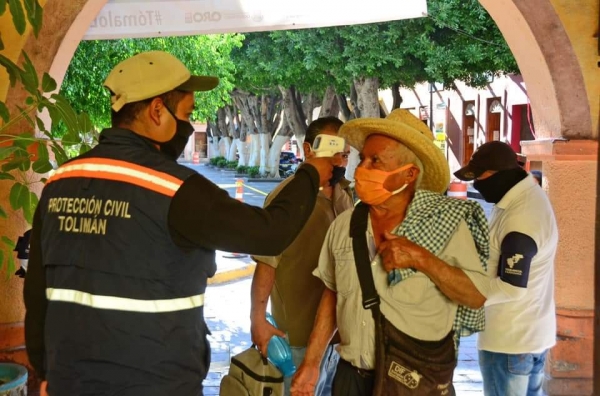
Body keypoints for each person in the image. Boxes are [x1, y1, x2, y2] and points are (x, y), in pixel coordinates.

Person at [23, 50, 338, 396]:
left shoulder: (59, 182)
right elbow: (270, 233)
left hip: (70, 382)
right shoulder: (174, 189)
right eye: (186, 114)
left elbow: (37, 295)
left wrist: (44, 374)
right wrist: (311, 173)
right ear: (157, 111)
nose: (188, 127)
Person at [291, 109, 491, 396]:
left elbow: (476, 296)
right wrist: (312, 362)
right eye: (362, 160)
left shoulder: (443, 226)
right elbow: (332, 293)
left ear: (409, 174)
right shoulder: (345, 224)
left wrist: (421, 258)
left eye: (376, 161)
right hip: (350, 379)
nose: (361, 170)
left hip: (413, 382)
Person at [250, 117, 354, 396]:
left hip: (339, 339)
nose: (338, 161)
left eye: (343, 153)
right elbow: (266, 264)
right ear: (308, 150)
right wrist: (257, 319)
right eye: (330, 150)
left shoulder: (346, 195)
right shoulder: (287, 199)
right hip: (296, 339)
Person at [454, 141, 558, 396]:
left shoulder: (521, 218)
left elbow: (511, 288)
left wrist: (463, 293)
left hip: (509, 343)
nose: (476, 183)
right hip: (530, 336)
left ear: (499, 175)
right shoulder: (526, 196)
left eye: (480, 177)